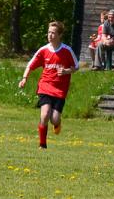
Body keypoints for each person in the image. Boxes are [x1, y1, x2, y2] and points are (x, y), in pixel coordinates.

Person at [18, 21, 79, 149]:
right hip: (45, 86)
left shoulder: (67, 50)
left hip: (60, 89)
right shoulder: (43, 50)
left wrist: (66, 71)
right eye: (49, 32)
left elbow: (76, 67)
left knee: (55, 119)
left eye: (53, 33)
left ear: (60, 35)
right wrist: (24, 78)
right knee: (45, 114)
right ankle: (42, 144)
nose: (50, 35)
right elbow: (30, 65)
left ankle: (57, 124)